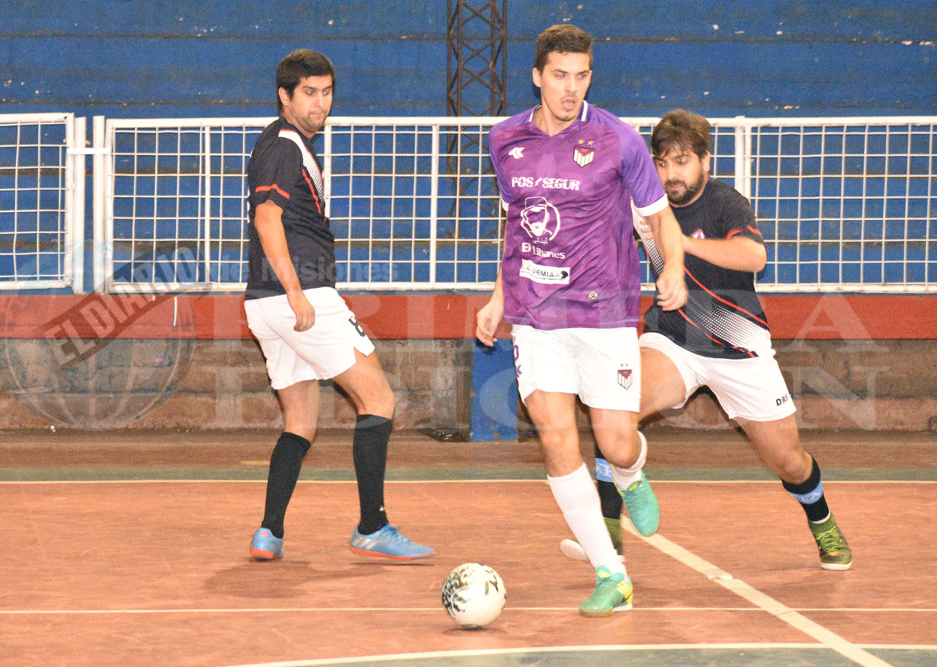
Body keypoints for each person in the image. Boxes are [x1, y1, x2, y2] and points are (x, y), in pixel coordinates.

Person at [559, 109, 852, 571]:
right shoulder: (644, 204)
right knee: (614, 408)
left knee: (790, 461)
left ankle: (823, 522)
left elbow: (754, 256)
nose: (671, 174)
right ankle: (609, 537)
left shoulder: (723, 202)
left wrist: (678, 243)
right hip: (671, 340)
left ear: (705, 161)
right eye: (662, 163)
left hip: (738, 346)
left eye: (682, 162)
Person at [476, 24, 688, 616]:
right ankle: (610, 571)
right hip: (535, 315)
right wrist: (497, 298)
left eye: (582, 76)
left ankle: (633, 473)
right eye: (560, 76)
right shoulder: (504, 141)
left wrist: (671, 264)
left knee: (616, 444)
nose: (571, 89)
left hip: (606, 313)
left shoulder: (619, 140)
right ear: (538, 77)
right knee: (555, 435)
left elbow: (659, 215)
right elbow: (516, 228)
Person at [244, 49, 434, 561]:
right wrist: (297, 292)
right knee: (378, 399)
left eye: (326, 92)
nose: (320, 103)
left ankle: (269, 532)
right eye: (308, 92)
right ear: (284, 96)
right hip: (298, 295)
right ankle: (372, 526)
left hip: (263, 304)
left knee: (300, 421)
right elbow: (267, 220)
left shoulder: (282, 144)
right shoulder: (285, 146)